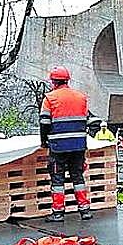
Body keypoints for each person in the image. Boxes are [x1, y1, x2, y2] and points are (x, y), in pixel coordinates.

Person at [39, 66, 100, 221]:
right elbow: (93, 121)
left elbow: (44, 123)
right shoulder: (81, 97)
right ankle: (85, 210)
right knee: (78, 176)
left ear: (53, 81)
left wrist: (44, 141)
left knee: (57, 179)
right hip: (78, 146)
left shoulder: (49, 98)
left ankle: (58, 213)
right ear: (67, 80)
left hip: (58, 147)